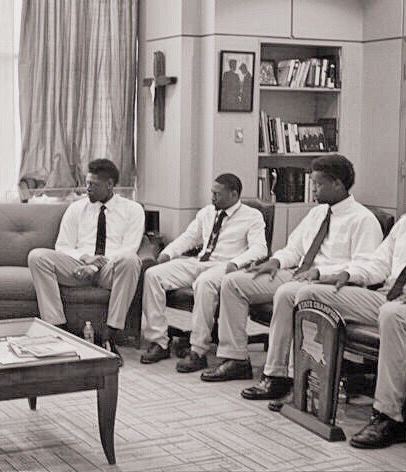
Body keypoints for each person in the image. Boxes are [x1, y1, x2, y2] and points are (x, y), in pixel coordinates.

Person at [201, 155, 382, 398]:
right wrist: (275, 261)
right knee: (233, 283)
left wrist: (320, 272)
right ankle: (235, 359)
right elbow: (294, 249)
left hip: (328, 283)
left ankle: (276, 375)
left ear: (338, 184)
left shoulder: (363, 220)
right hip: (297, 273)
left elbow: (365, 267)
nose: (314, 189)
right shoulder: (317, 214)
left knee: (286, 293)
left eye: (318, 184)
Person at [297, 205, 406, 449]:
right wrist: (348, 274)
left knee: (392, 314)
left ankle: (388, 417)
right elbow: (378, 264)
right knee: (310, 292)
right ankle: (307, 388)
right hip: (390, 294)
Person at [139, 173, 267, 371]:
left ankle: (198, 351)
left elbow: (260, 249)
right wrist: (167, 254)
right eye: (212, 193)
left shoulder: (252, 216)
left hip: (226, 266)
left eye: (218, 194)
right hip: (200, 261)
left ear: (234, 195)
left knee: (204, 282)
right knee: (153, 275)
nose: (212, 198)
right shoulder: (207, 212)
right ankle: (159, 341)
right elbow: (189, 238)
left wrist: (237, 262)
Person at [27, 158, 144, 359]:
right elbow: (62, 246)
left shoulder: (133, 210)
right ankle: (58, 330)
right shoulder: (76, 208)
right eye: (87, 183)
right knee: (37, 256)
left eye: (93, 185)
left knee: (131, 260)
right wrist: (85, 258)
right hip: (78, 267)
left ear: (109, 185)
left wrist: (97, 266)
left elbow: (129, 249)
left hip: (110, 269)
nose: (87, 188)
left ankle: (111, 335)